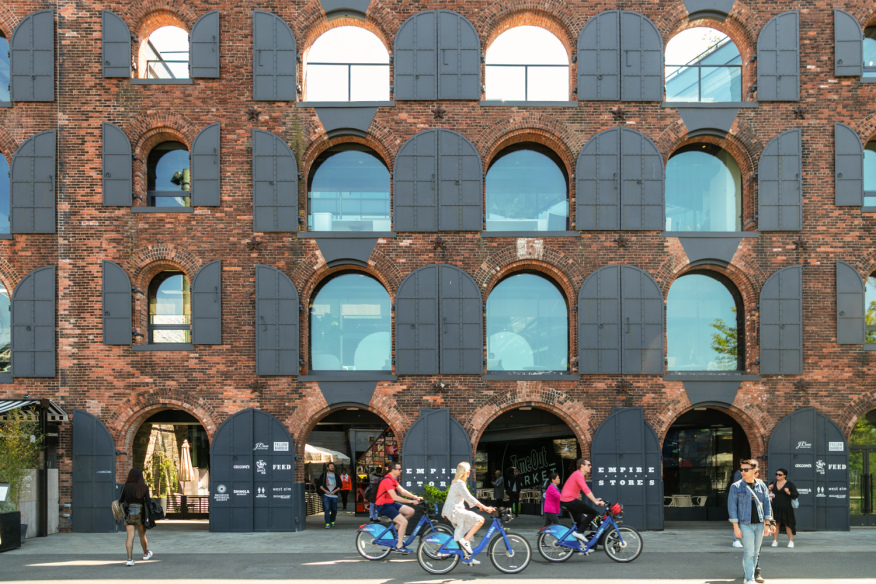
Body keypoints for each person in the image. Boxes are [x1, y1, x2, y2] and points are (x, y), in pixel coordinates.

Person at [728, 459, 772, 584]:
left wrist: (767, 524)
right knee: (749, 552)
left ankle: (750, 573)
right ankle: (749, 578)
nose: (743, 472)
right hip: (744, 524)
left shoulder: (761, 485)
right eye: (741, 469)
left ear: (754, 470)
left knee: (756, 552)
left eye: (746, 470)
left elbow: (767, 505)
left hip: (759, 523)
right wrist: (736, 527)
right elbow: (732, 508)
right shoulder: (736, 487)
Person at [442, 462, 495, 565]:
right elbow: (469, 497)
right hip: (454, 511)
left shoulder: (457, 482)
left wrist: (480, 506)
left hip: (455, 510)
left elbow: (467, 498)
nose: (470, 472)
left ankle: (467, 557)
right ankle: (465, 541)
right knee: (480, 520)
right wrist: (484, 507)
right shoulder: (459, 484)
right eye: (469, 470)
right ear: (465, 472)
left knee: (469, 529)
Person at [375, 462, 422, 553]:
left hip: (390, 503)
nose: (401, 470)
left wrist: (415, 497)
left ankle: (394, 530)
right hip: (383, 505)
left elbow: (403, 491)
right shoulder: (387, 480)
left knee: (410, 511)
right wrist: (411, 501)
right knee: (403, 522)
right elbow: (395, 497)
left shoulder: (393, 480)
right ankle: (399, 546)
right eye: (399, 469)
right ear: (393, 470)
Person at [560, 458, 605, 551]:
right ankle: (579, 533)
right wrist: (596, 502)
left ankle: (579, 546)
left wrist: (595, 499)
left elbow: (586, 491)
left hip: (567, 501)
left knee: (579, 523)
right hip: (570, 501)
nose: (590, 466)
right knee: (593, 513)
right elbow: (586, 489)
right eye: (588, 465)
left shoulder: (577, 474)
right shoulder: (578, 474)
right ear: (582, 466)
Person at [118, 468, 153, 567]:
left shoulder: (125, 487)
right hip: (140, 513)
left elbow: (120, 500)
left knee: (130, 536)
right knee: (142, 535)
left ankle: (129, 559)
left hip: (129, 512)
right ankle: (146, 554)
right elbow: (148, 502)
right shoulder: (144, 487)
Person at [768, 468, 799, 548]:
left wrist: (789, 492)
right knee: (775, 524)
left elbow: (795, 494)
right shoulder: (773, 483)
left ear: (784, 475)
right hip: (775, 507)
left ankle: (791, 541)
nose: (777, 476)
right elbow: (767, 495)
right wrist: (768, 489)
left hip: (786, 508)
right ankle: (775, 541)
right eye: (776, 474)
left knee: (788, 524)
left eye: (780, 474)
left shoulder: (789, 484)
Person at [317, 462, 340, 528]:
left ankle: (332, 521)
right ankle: (327, 523)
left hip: (334, 495)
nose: (332, 467)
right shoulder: (324, 475)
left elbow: (340, 485)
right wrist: (325, 491)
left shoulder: (336, 476)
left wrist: (334, 491)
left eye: (333, 466)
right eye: (330, 466)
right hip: (326, 495)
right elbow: (320, 485)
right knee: (327, 509)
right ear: (327, 468)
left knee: (334, 510)